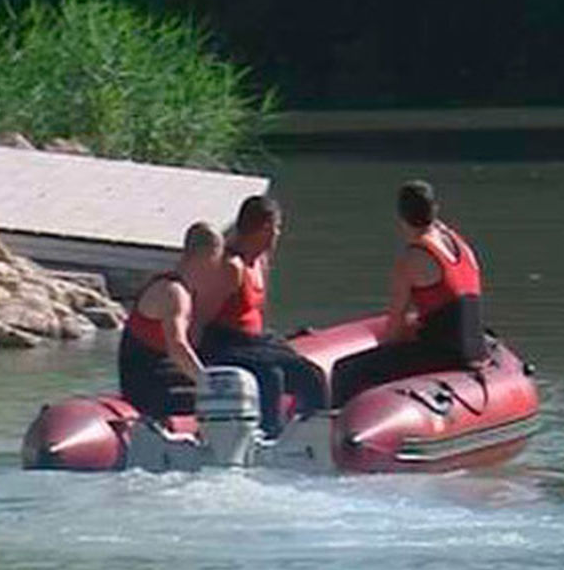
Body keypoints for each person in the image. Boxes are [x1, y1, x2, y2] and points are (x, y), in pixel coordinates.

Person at [331, 180, 487, 406]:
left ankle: (334, 428)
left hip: (446, 355)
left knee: (345, 370)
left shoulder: (413, 258)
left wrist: (387, 352)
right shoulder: (460, 245)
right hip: (475, 349)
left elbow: (396, 322)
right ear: (436, 210)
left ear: (401, 217)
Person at [199, 195, 329, 436]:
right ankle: (270, 434)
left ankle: (312, 435)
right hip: (225, 344)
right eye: (277, 228)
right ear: (266, 229)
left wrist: (280, 340)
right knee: (271, 375)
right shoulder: (231, 266)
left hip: (253, 343)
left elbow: (253, 316)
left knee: (311, 375)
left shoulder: (261, 261)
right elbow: (202, 317)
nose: (279, 234)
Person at [118, 222, 224, 418]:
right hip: (147, 389)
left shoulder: (172, 285)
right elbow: (177, 346)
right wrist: (207, 383)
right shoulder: (174, 294)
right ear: (208, 256)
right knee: (222, 401)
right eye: (217, 261)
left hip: (153, 378)